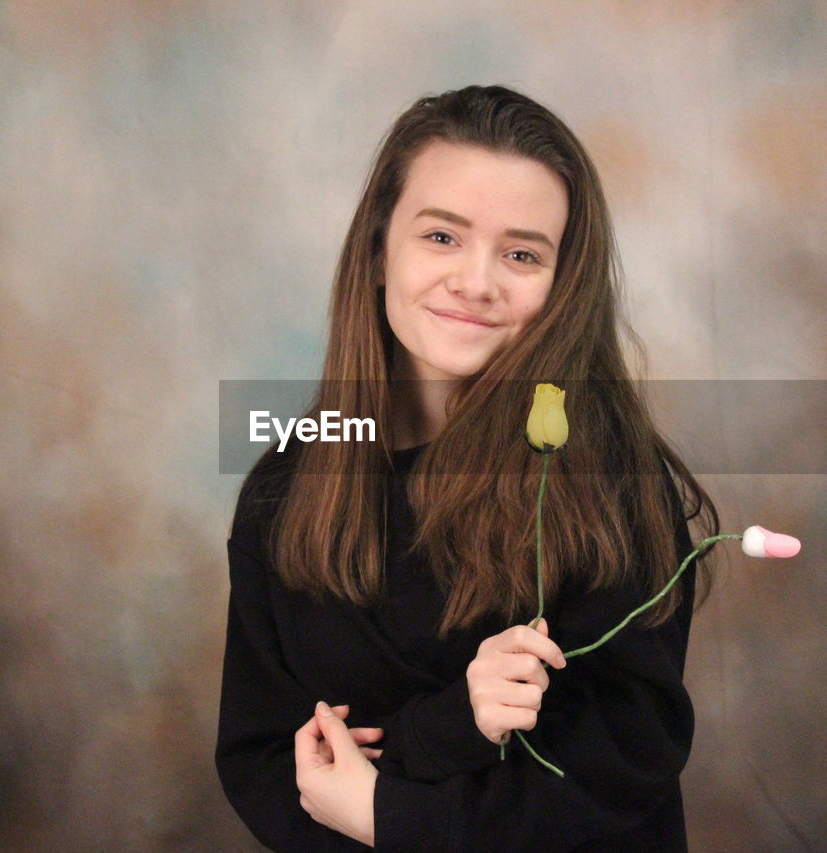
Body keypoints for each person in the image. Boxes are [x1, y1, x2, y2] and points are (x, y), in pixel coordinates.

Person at [216, 84, 720, 851]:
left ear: (563, 286)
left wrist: (391, 814)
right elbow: (267, 760)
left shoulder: (613, 484)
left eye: (521, 254)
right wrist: (440, 737)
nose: (476, 282)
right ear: (380, 249)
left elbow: (613, 775)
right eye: (443, 237)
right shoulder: (283, 488)